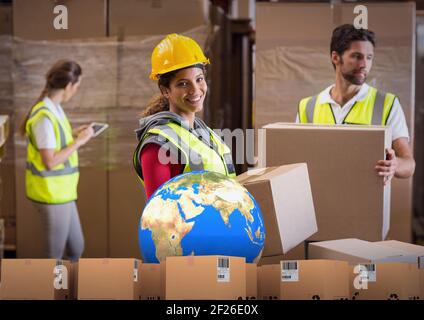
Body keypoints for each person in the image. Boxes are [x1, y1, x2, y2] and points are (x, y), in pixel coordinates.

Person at [297, 24, 415, 185]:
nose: (364, 64)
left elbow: (409, 164)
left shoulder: (387, 103)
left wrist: (395, 165)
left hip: (367, 204)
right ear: (335, 57)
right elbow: (295, 161)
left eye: (369, 57)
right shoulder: (308, 106)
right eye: (357, 56)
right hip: (317, 204)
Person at [133, 34, 236, 199]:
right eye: (183, 83)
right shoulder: (157, 145)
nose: (195, 90)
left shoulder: (205, 133)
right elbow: (160, 214)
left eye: (199, 79)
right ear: (166, 90)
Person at [20, 59, 94, 261]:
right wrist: (79, 142)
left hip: (63, 192)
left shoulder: (55, 108)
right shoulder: (44, 116)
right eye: (77, 86)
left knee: (77, 247)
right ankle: (51, 292)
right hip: (50, 193)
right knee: (54, 254)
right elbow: (50, 161)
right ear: (69, 85)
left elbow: (55, 140)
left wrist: (73, 134)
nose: (76, 90)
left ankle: (69, 291)